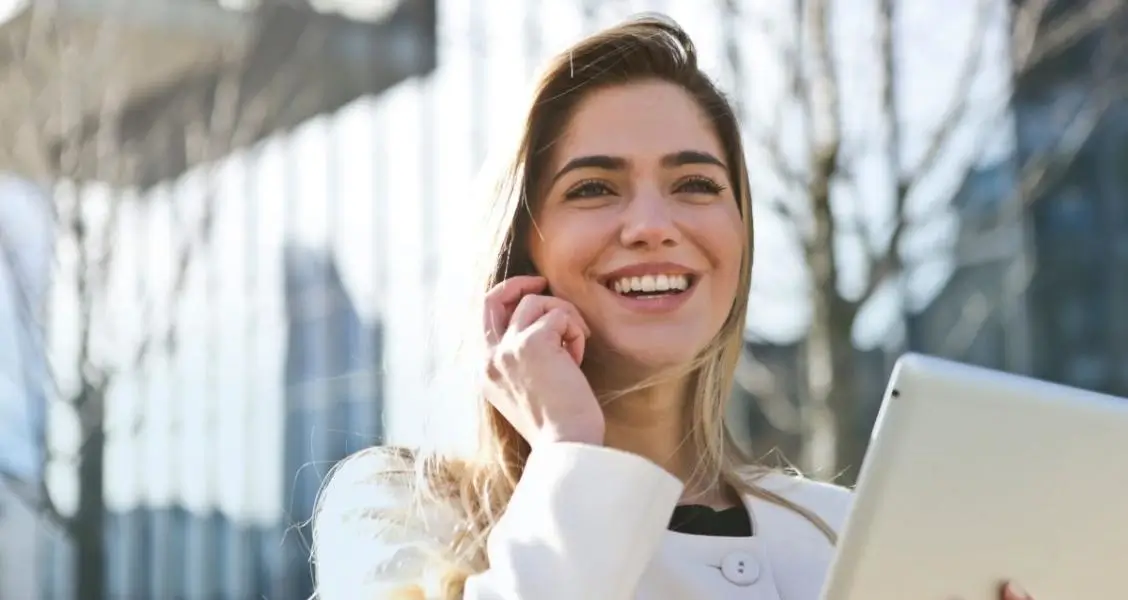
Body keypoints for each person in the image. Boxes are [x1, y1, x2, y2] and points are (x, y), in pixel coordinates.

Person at [312, 15, 1035, 600]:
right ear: (522, 249)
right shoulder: (399, 515)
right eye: (594, 188)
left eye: (696, 184)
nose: (654, 224)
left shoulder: (842, 533)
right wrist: (569, 450)